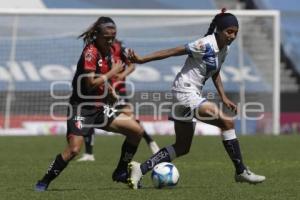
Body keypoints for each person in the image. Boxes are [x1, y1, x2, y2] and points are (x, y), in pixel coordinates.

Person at [126, 9, 266, 189]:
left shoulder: (225, 48)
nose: (232, 36)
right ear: (219, 30)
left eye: (235, 33)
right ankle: (241, 171)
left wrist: (223, 96)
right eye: (229, 32)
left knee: (182, 146)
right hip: (185, 92)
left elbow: (215, 72)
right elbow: (173, 50)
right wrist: (142, 59)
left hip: (183, 94)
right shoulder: (205, 44)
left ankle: (140, 168)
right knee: (227, 122)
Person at [35, 16, 145, 192]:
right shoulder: (90, 52)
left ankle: (121, 172)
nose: (111, 41)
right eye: (107, 37)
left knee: (136, 132)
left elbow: (102, 81)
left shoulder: (108, 51)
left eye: (113, 37)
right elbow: (90, 83)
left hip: (99, 108)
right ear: (97, 35)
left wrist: (110, 91)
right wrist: (114, 72)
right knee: (74, 150)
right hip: (81, 108)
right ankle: (44, 181)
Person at [76, 40, 160, 162]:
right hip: (104, 90)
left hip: (119, 90)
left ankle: (150, 141)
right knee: (91, 115)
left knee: (131, 119)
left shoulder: (120, 47)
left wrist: (121, 75)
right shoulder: (96, 50)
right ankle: (89, 154)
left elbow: (131, 65)